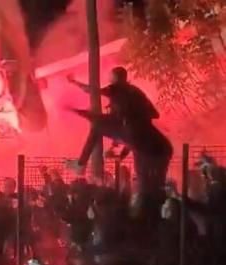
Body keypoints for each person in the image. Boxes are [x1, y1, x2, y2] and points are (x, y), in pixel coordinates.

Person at [67, 67, 172, 214]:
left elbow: (92, 91)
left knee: (97, 126)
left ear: (116, 78)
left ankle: (81, 164)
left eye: (110, 77)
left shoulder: (117, 89)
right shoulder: (136, 92)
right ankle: (152, 207)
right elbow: (155, 114)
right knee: (148, 182)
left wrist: (74, 82)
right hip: (146, 140)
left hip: (135, 136)